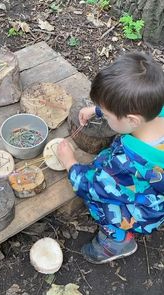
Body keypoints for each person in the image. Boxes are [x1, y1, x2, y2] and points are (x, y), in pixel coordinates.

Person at [57, 52, 164, 264]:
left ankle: (117, 241)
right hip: (155, 193)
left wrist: (69, 162)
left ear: (132, 120)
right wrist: (98, 110)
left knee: (102, 203)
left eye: (107, 115)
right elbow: (136, 106)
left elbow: (92, 186)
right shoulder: (155, 108)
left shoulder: (126, 163)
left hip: (142, 212)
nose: (104, 116)